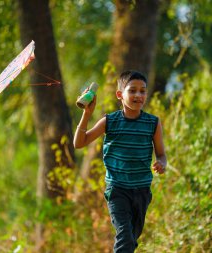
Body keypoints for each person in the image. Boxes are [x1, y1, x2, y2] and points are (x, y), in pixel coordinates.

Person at [73, 70, 167, 252]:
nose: (138, 95)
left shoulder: (153, 123)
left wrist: (162, 163)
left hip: (141, 191)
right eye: (132, 91)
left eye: (142, 91)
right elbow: (79, 142)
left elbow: (161, 154)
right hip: (117, 190)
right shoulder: (110, 121)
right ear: (120, 95)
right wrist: (87, 114)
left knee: (132, 238)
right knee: (126, 237)